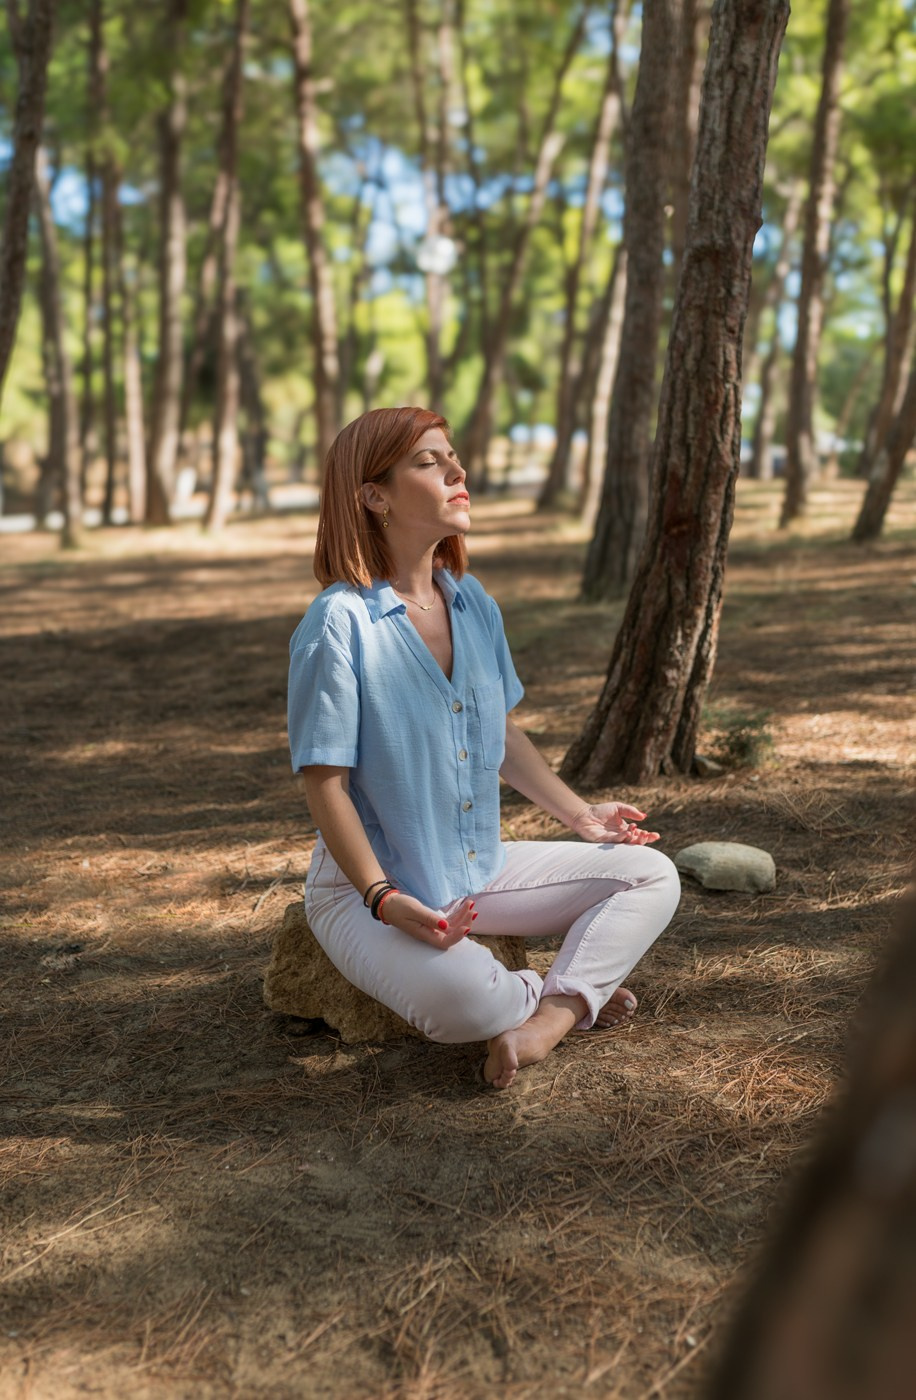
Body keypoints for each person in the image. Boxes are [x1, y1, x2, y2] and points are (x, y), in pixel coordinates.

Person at [288, 406, 680, 1089]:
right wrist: (382, 897)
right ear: (374, 495)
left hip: (476, 871)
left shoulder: (472, 604)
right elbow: (325, 783)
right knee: (467, 1005)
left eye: (453, 457)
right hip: (366, 892)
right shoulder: (338, 624)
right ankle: (551, 989)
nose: (456, 471)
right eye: (428, 461)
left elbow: (498, 731)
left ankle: (551, 1016)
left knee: (652, 875)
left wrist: (581, 816)